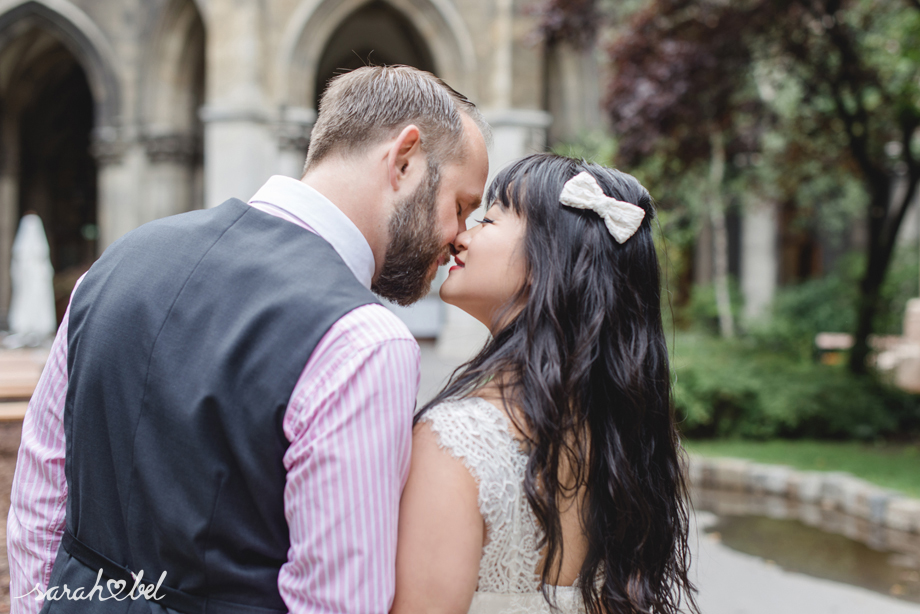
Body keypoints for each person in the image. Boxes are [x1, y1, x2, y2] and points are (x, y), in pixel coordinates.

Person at [7, 65, 490, 614]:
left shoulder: (116, 263)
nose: (459, 239)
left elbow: (39, 507)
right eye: (461, 206)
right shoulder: (363, 342)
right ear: (404, 159)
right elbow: (336, 604)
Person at [391, 154, 698, 614]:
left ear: (547, 257)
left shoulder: (456, 442)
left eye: (488, 219)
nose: (460, 237)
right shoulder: (623, 443)